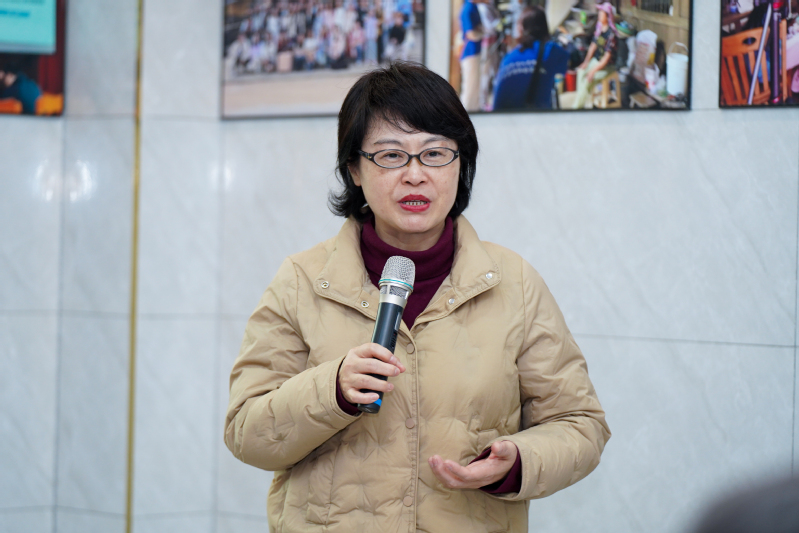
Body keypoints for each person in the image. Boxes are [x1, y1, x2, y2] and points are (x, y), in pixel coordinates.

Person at [224, 62, 610, 532]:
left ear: (461, 164)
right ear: (354, 169)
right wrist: (333, 390)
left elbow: (580, 424)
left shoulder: (515, 283)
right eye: (390, 155)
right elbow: (245, 432)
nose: (415, 175)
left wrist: (518, 461)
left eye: (434, 154)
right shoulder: (302, 280)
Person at [492, 7, 569, 110]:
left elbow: (497, 101)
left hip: (506, 116)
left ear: (521, 29)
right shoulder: (551, 51)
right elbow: (567, 65)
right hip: (536, 116)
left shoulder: (508, 59)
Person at [573, 2, 618, 109]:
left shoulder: (611, 35)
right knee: (580, 72)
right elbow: (593, 46)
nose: (599, 14)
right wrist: (585, 62)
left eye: (602, 13)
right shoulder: (599, 30)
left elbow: (606, 59)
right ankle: (581, 99)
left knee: (588, 80)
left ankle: (576, 108)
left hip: (607, 66)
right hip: (597, 61)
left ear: (607, 16)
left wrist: (592, 71)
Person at [460, 0, 484, 111]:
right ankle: (465, 112)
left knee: (475, 84)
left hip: (476, 51)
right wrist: (483, 33)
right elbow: (471, 34)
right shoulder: (467, 9)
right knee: (469, 86)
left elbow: (479, 28)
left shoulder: (474, 6)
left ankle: (475, 108)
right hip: (470, 52)